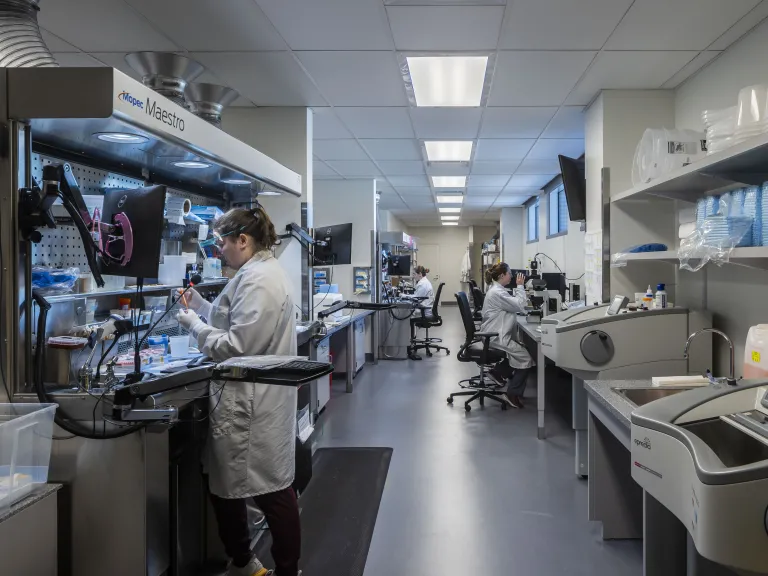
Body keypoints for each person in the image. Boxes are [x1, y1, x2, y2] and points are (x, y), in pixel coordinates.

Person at [177, 206, 301, 576]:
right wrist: (199, 305)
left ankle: (284, 569)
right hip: (249, 400)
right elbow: (233, 315)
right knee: (224, 480)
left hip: (253, 404)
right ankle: (244, 561)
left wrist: (195, 327)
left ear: (242, 241)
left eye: (222, 243)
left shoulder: (260, 278)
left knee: (272, 491)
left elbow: (236, 345)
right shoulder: (254, 272)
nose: (219, 251)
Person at [480, 262, 534, 409]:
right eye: (510, 273)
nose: (511, 276)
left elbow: (515, 305)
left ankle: (498, 372)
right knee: (526, 357)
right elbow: (520, 305)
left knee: (519, 351)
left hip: (494, 333)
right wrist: (520, 286)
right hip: (495, 335)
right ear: (502, 275)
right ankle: (512, 393)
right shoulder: (498, 293)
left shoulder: (497, 290)